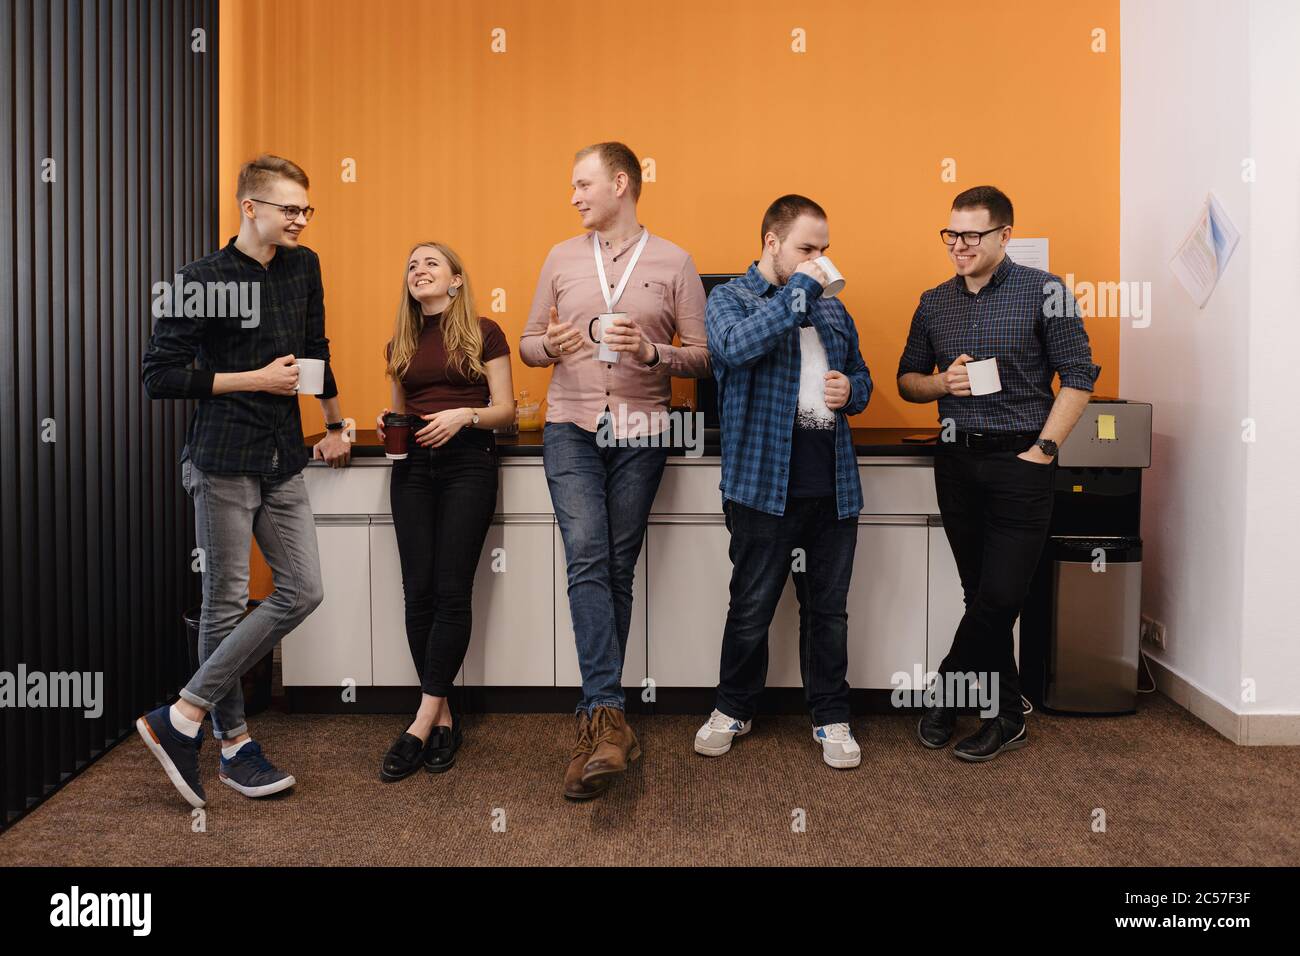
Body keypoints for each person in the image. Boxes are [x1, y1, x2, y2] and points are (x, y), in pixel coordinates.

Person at [139, 154, 351, 807]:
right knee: (225, 603)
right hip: (222, 458)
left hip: (282, 454)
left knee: (305, 589)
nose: (302, 220)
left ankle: (181, 715)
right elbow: (160, 376)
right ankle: (235, 747)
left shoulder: (303, 266)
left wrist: (336, 423)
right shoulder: (199, 280)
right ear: (250, 208)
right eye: (291, 209)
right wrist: (254, 379)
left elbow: (314, 349)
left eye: (307, 209)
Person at [520, 141, 710, 800]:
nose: (572, 197)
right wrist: (552, 345)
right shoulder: (559, 258)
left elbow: (703, 358)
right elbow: (525, 342)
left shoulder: (676, 261)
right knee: (588, 557)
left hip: (642, 431)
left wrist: (655, 351)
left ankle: (602, 725)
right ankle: (605, 715)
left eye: (582, 184)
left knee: (614, 567)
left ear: (621, 184)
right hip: (569, 427)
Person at [897, 185, 1098, 761]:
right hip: (957, 462)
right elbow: (908, 378)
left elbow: (1078, 376)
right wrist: (940, 384)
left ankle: (945, 692)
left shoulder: (1045, 291)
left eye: (972, 235)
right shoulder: (934, 302)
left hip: (1021, 463)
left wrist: (1044, 449)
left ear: (1005, 235)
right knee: (982, 595)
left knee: (1000, 594)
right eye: (951, 234)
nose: (958, 245)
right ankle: (1006, 713)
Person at [696, 195, 873, 769]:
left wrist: (853, 392)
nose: (819, 259)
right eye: (807, 248)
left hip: (833, 489)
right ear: (772, 242)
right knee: (750, 607)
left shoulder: (834, 312)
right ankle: (732, 707)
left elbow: (863, 377)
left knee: (829, 612)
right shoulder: (730, 298)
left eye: (824, 250)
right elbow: (733, 349)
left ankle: (830, 716)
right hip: (760, 487)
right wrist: (801, 290)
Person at [375, 241, 515, 780]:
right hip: (412, 472)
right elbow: (395, 410)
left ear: (456, 278)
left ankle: (418, 722)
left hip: (467, 466)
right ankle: (443, 714)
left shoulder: (485, 331)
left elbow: (503, 410)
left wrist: (463, 416)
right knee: (420, 593)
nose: (419, 270)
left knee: (452, 591)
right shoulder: (400, 342)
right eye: (412, 264)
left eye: (432, 262)